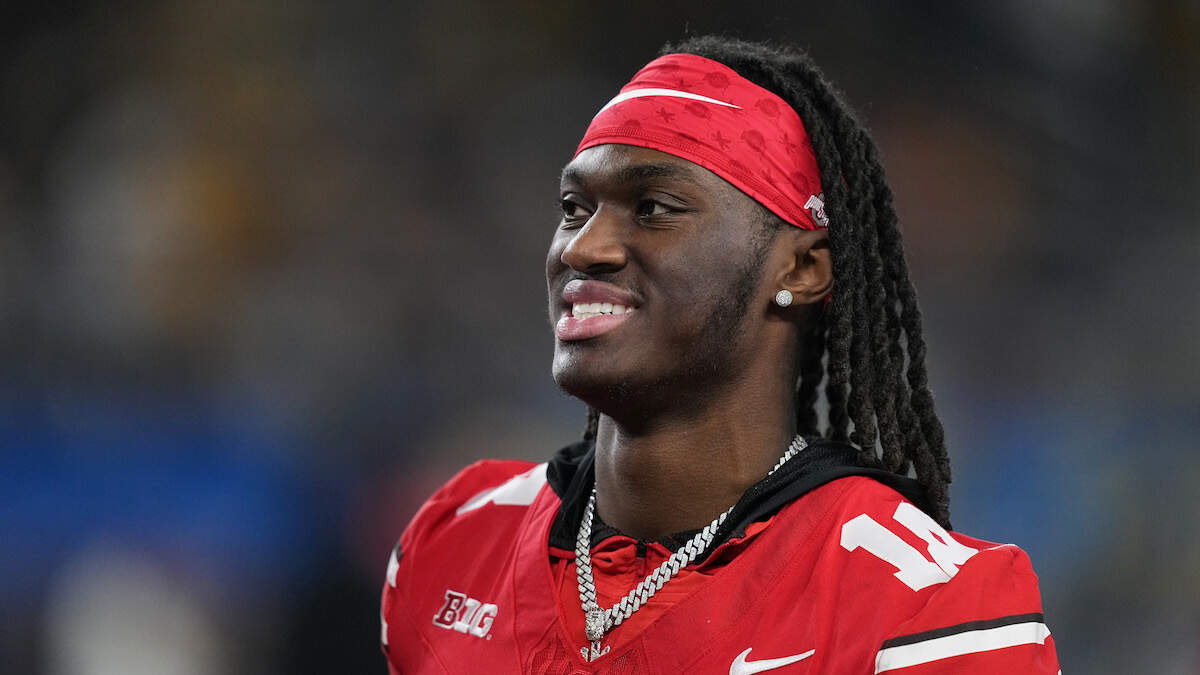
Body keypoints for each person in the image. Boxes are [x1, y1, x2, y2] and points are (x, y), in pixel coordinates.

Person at [380, 36, 1061, 674]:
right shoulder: (455, 543)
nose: (583, 248)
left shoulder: (930, 609)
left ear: (801, 269)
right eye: (574, 207)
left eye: (654, 208)